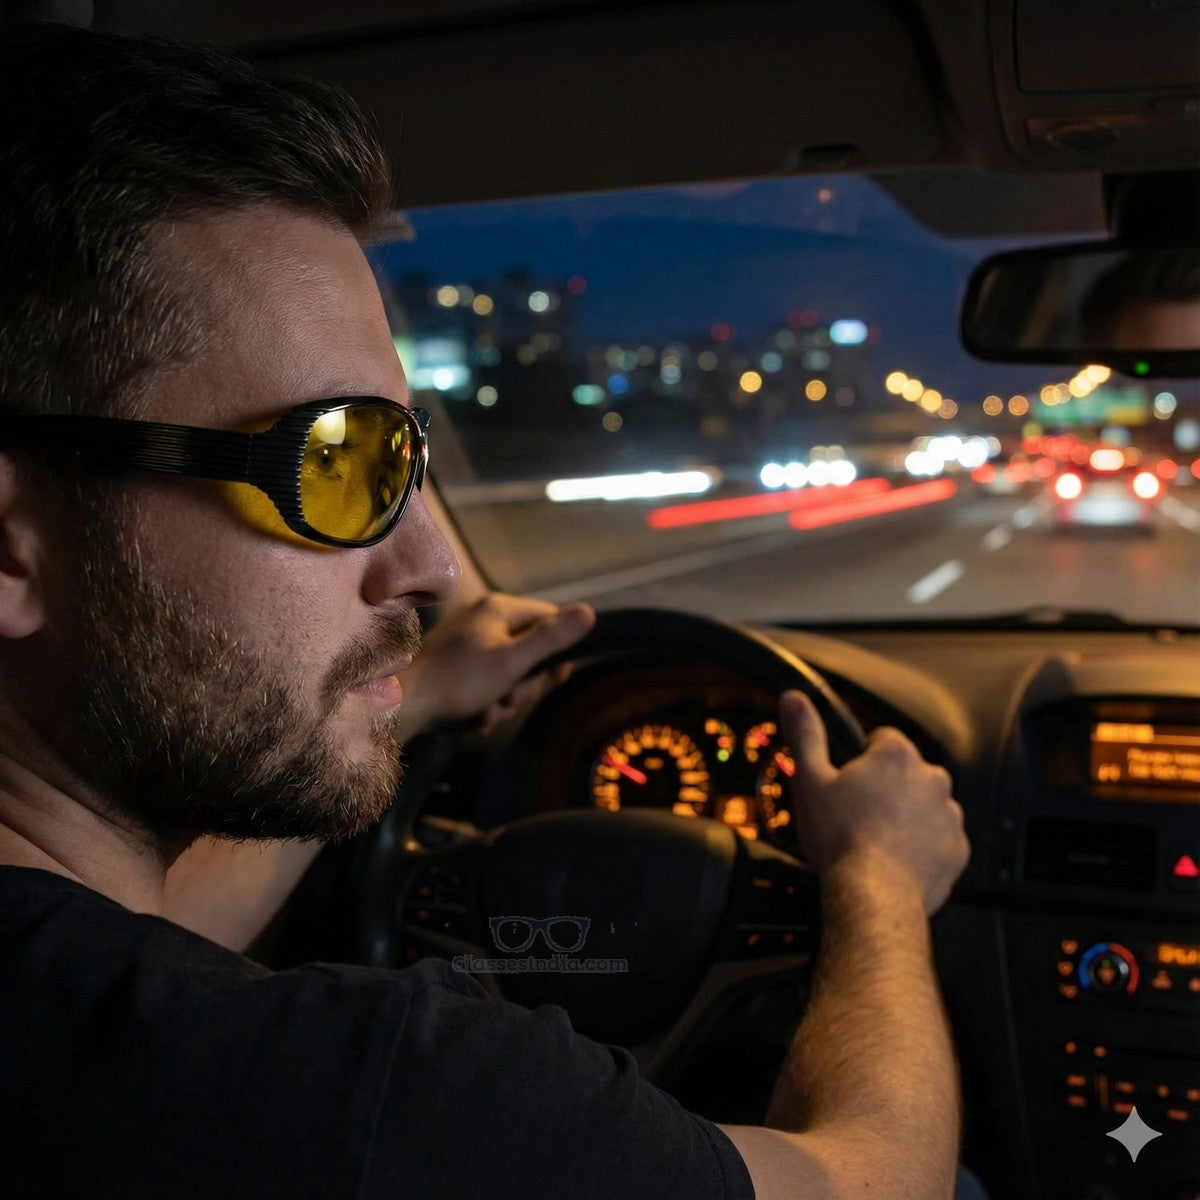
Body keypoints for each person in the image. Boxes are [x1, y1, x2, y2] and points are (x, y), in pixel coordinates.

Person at [0, 20, 972, 1200]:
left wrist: (392, 708)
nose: (431, 566)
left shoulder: (121, 1024)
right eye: (337, 459)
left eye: (407, 456)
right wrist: (878, 881)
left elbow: (142, 965)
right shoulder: (389, 1099)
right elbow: (878, 1178)